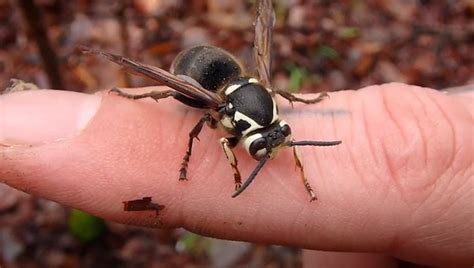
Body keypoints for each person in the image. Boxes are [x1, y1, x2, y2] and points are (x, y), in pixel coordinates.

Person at [0, 83, 472, 267]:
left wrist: (306, 179)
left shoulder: (273, 124)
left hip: (242, 86)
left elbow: (278, 134)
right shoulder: (222, 118)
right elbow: (216, 136)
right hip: (206, 81)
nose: (271, 148)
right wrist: (192, 164)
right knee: (184, 121)